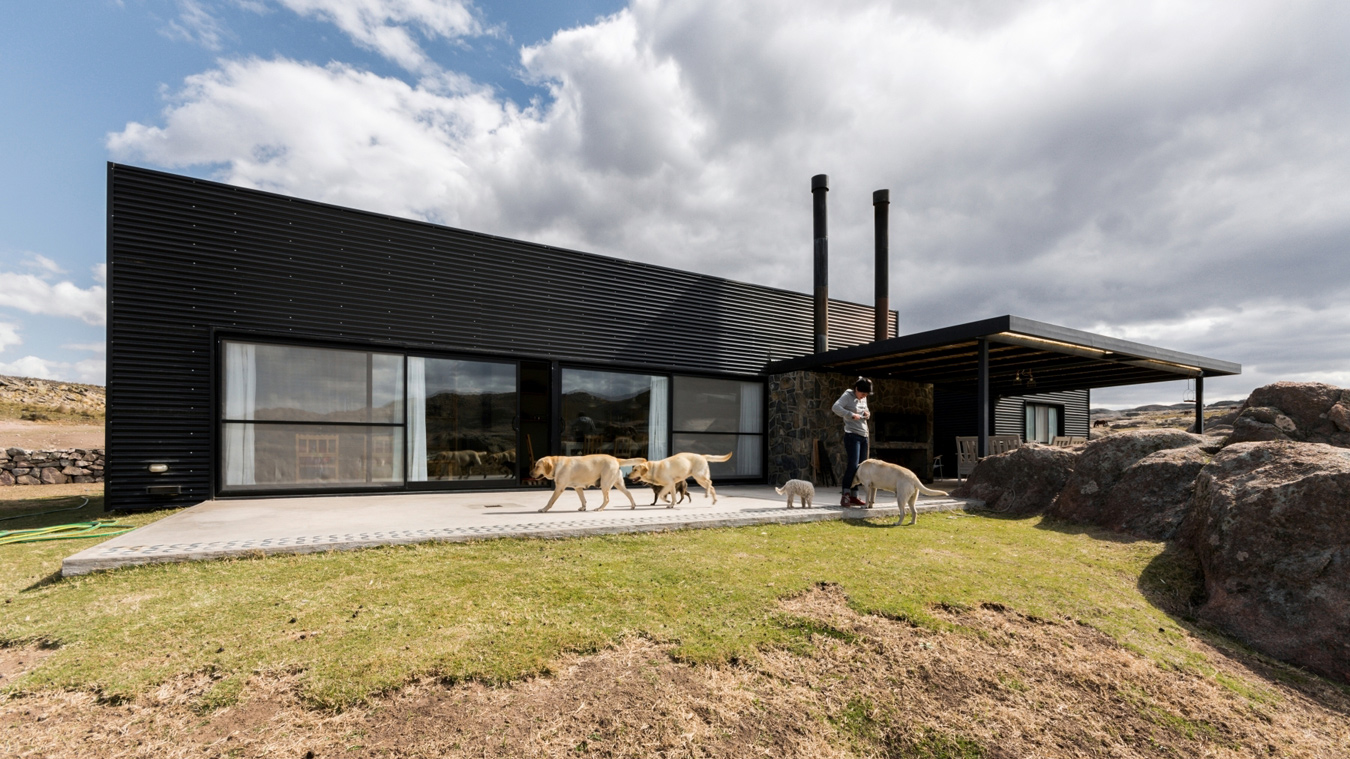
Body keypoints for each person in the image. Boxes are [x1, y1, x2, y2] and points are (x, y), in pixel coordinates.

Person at [832, 377, 872, 507]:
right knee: (852, 465)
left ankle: (855, 496)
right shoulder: (847, 395)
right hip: (852, 436)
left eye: (865, 395)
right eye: (862, 394)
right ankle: (845, 495)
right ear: (856, 389)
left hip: (864, 435)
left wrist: (867, 413)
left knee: (861, 467)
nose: (863, 397)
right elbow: (835, 408)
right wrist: (850, 414)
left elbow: (866, 410)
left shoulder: (864, 397)